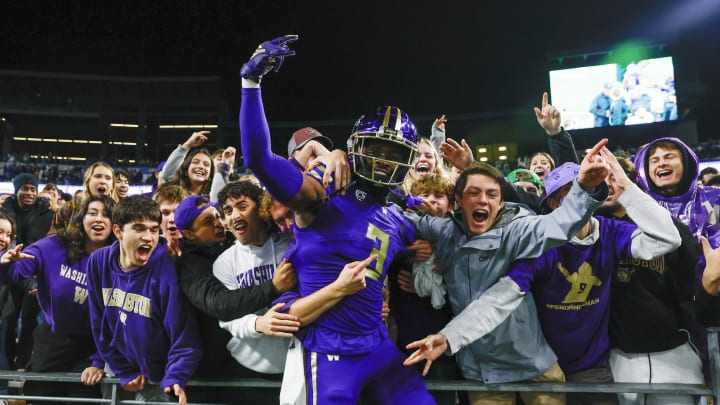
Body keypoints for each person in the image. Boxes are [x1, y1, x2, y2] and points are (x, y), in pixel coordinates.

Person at [239, 35, 436, 404]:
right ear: (356, 147)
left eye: (392, 152)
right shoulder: (322, 194)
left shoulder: (398, 213)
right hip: (330, 349)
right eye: (374, 149)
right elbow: (259, 159)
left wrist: (424, 236)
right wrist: (251, 84)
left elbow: (421, 235)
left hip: (377, 343)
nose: (381, 160)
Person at [402, 138, 611, 405]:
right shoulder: (444, 232)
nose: (483, 201)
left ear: (501, 203)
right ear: (458, 200)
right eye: (473, 193)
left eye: (492, 195)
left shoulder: (518, 228)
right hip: (481, 373)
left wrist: (586, 189)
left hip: (535, 366)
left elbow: (560, 225)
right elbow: (404, 218)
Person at [597, 157, 716, 405]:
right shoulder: (595, 230)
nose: (606, 184)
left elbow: (690, 285)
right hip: (618, 357)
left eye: (613, 176)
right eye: (599, 177)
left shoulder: (665, 225)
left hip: (674, 354)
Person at [0, 195, 116, 403]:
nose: (99, 219)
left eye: (106, 215)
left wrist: (99, 361)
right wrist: (6, 263)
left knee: (82, 398)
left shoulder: (120, 259)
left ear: (116, 225)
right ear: (81, 219)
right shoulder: (53, 246)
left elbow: (115, 319)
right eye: (92, 213)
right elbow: (13, 274)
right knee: (42, 398)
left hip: (93, 345)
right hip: (53, 340)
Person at [86, 196, 202, 405]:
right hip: (117, 368)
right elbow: (98, 323)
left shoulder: (167, 268)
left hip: (160, 377)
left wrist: (176, 375)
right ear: (118, 232)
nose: (149, 237)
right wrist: (123, 369)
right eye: (139, 229)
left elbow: (184, 334)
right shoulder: (98, 262)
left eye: (154, 229)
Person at [1, 173, 54, 370]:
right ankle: (7, 363)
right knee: (8, 321)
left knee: (29, 323)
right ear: (16, 191)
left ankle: (23, 363)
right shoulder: (5, 211)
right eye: (25, 188)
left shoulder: (47, 214)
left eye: (33, 189)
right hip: (9, 272)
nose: (29, 193)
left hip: (33, 276)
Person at [634, 137, 720, 249]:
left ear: (686, 162)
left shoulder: (715, 198)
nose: (662, 164)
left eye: (669, 157)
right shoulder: (638, 208)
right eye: (654, 160)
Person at [53, 161, 116, 233]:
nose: (103, 181)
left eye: (108, 178)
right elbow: (53, 240)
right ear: (87, 182)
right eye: (98, 176)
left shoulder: (118, 212)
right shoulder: (67, 210)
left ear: (112, 185)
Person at [154, 184, 189, 257]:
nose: (172, 219)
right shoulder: (149, 250)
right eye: (166, 213)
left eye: (178, 212)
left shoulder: (199, 249)